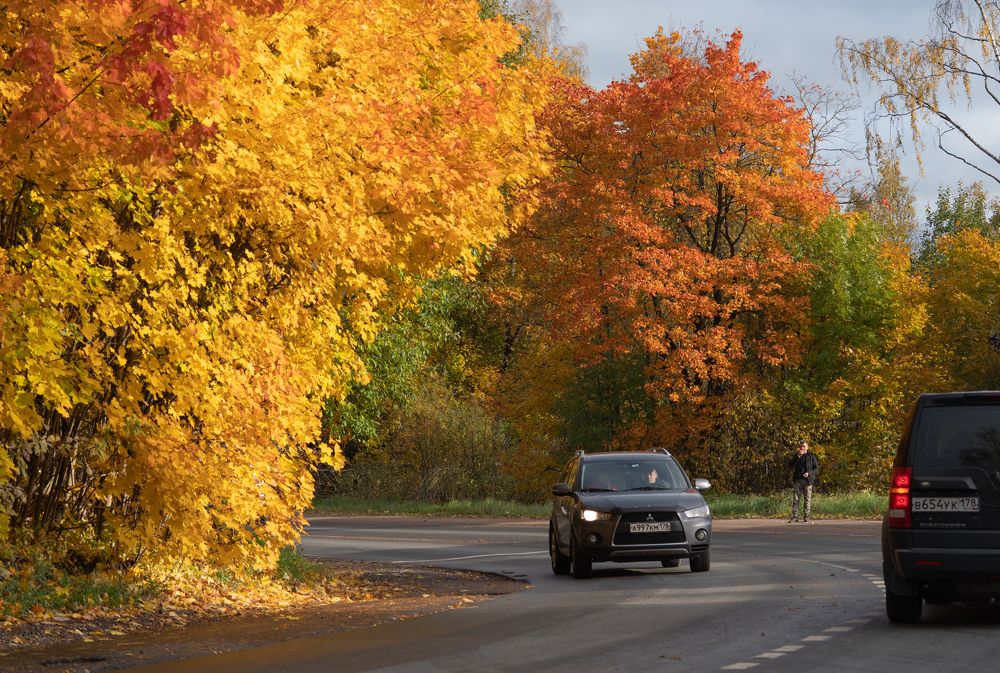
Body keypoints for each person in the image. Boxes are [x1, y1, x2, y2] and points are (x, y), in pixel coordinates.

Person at [788, 439, 819, 523]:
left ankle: (806, 516)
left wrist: (809, 473)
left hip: (808, 481)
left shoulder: (811, 456)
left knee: (807, 499)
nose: (802, 448)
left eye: (803, 446)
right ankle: (795, 517)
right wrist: (797, 456)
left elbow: (816, 469)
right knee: (796, 499)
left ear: (807, 447)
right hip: (797, 480)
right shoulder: (796, 455)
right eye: (800, 446)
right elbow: (790, 465)